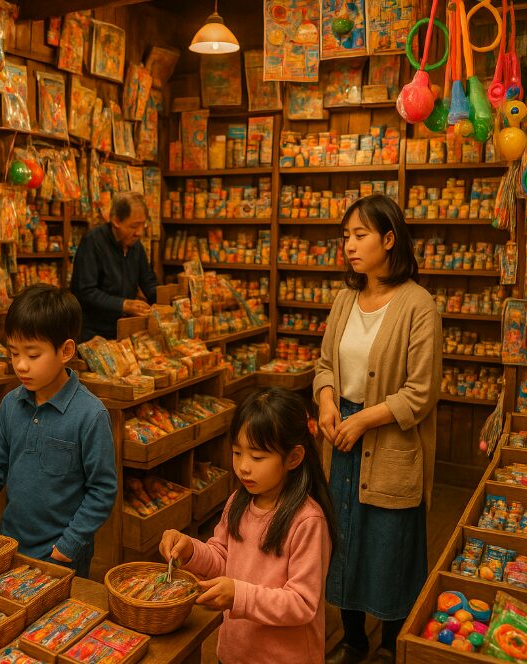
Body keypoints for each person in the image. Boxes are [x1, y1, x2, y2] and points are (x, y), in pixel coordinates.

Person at [313, 194, 441, 664]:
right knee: (342, 539)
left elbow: (421, 392)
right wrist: (327, 399)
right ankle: (352, 641)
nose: (349, 244)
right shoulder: (345, 299)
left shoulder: (418, 304)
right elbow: (325, 365)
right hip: (340, 438)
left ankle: (390, 644)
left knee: (390, 542)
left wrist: (364, 418)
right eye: (346, 236)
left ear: (389, 240)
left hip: (386, 438)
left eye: (360, 235)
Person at [0, 284, 117, 578]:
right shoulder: (11, 403)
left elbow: (102, 491)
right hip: (10, 544)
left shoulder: (90, 415)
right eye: (14, 352)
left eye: (32, 355)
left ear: (66, 351)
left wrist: (70, 544)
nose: (20, 365)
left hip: (62, 556)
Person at [160, 387, 336, 664]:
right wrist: (190, 550)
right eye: (237, 453)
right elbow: (221, 559)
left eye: (257, 457)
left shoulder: (307, 521)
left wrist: (239, 595)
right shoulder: (238, 502)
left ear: (293, 458)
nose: (243, 467)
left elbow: (302, 603)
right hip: (235, 651)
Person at [70, 191, 159, 341]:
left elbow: (148, 280)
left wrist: (165, 301)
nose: (139, 232)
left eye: (143, 225)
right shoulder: (93, 242)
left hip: (125, 330)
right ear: (116, 221)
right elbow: (85, 291)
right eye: (134, 226)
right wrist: (123, 304)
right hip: (93, 334)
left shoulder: (135, 246)